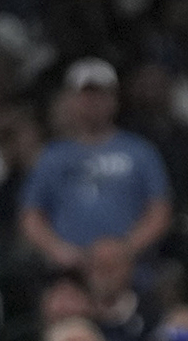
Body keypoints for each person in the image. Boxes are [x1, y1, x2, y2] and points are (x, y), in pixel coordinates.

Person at [19, 61, 172, 275]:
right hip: (68, 271)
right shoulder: (52, 156)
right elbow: (31, 215)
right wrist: (56, 249)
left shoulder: (140, 152)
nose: (92, 103)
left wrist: (125, 249)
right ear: (71, 100)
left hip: (129, 268)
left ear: (114, 100)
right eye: (85, 95)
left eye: (100, 95)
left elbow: (159, 212)